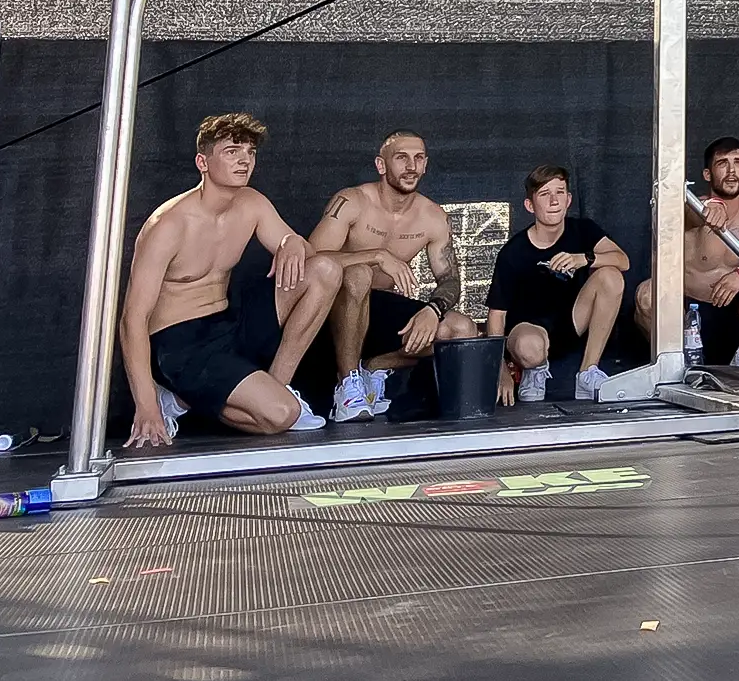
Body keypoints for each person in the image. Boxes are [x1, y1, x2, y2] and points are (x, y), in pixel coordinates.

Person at [120, 113, 338, 445]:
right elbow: (132, 319)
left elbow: (306, 253)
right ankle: (173, 401)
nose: (244, 160)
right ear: (202, 162)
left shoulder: (252, 203)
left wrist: (292, 241)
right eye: (232, 151)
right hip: (182, 345)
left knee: (325, 270)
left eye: (250, 152)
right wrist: (145, 404)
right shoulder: (169, 224)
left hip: (228, 324)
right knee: (280, 416)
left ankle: (278, 387)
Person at [308, 130, 479, 422]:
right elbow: (311, 260)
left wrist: (433, 309)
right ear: (381, 164)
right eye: (402, 158)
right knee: (359, 274)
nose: (411, 166)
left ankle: (374, 367)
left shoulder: (433, 216)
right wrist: (376, 255)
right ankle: (347, 386)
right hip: (330, 311)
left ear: (425, 165)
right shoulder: (352, 201)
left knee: (461, 330)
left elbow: (451, 280)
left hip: (380, 311)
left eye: (418, 158)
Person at [487, 165, 630, 402]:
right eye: (544, 194)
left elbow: (622, 260)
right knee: (528, 346)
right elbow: (496, 315)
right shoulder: (513, 251)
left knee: (611, 276)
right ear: (530, 205)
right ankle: (533, 372)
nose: (554, 201)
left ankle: (587, 373)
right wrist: (499, 370)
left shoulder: (582, 229)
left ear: (569, 199)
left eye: (560, 192)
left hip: (572, 322)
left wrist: (583, 259)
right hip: (529, 331)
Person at [634, 137, 739, 369]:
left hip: (738, 312)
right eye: (723, 163)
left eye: (738, 162)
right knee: (647, 294)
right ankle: (674, 365)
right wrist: (710, 208)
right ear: (707, 174)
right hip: (690, 317)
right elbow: (693, 215)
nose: (732, 170)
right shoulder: (692, 205)